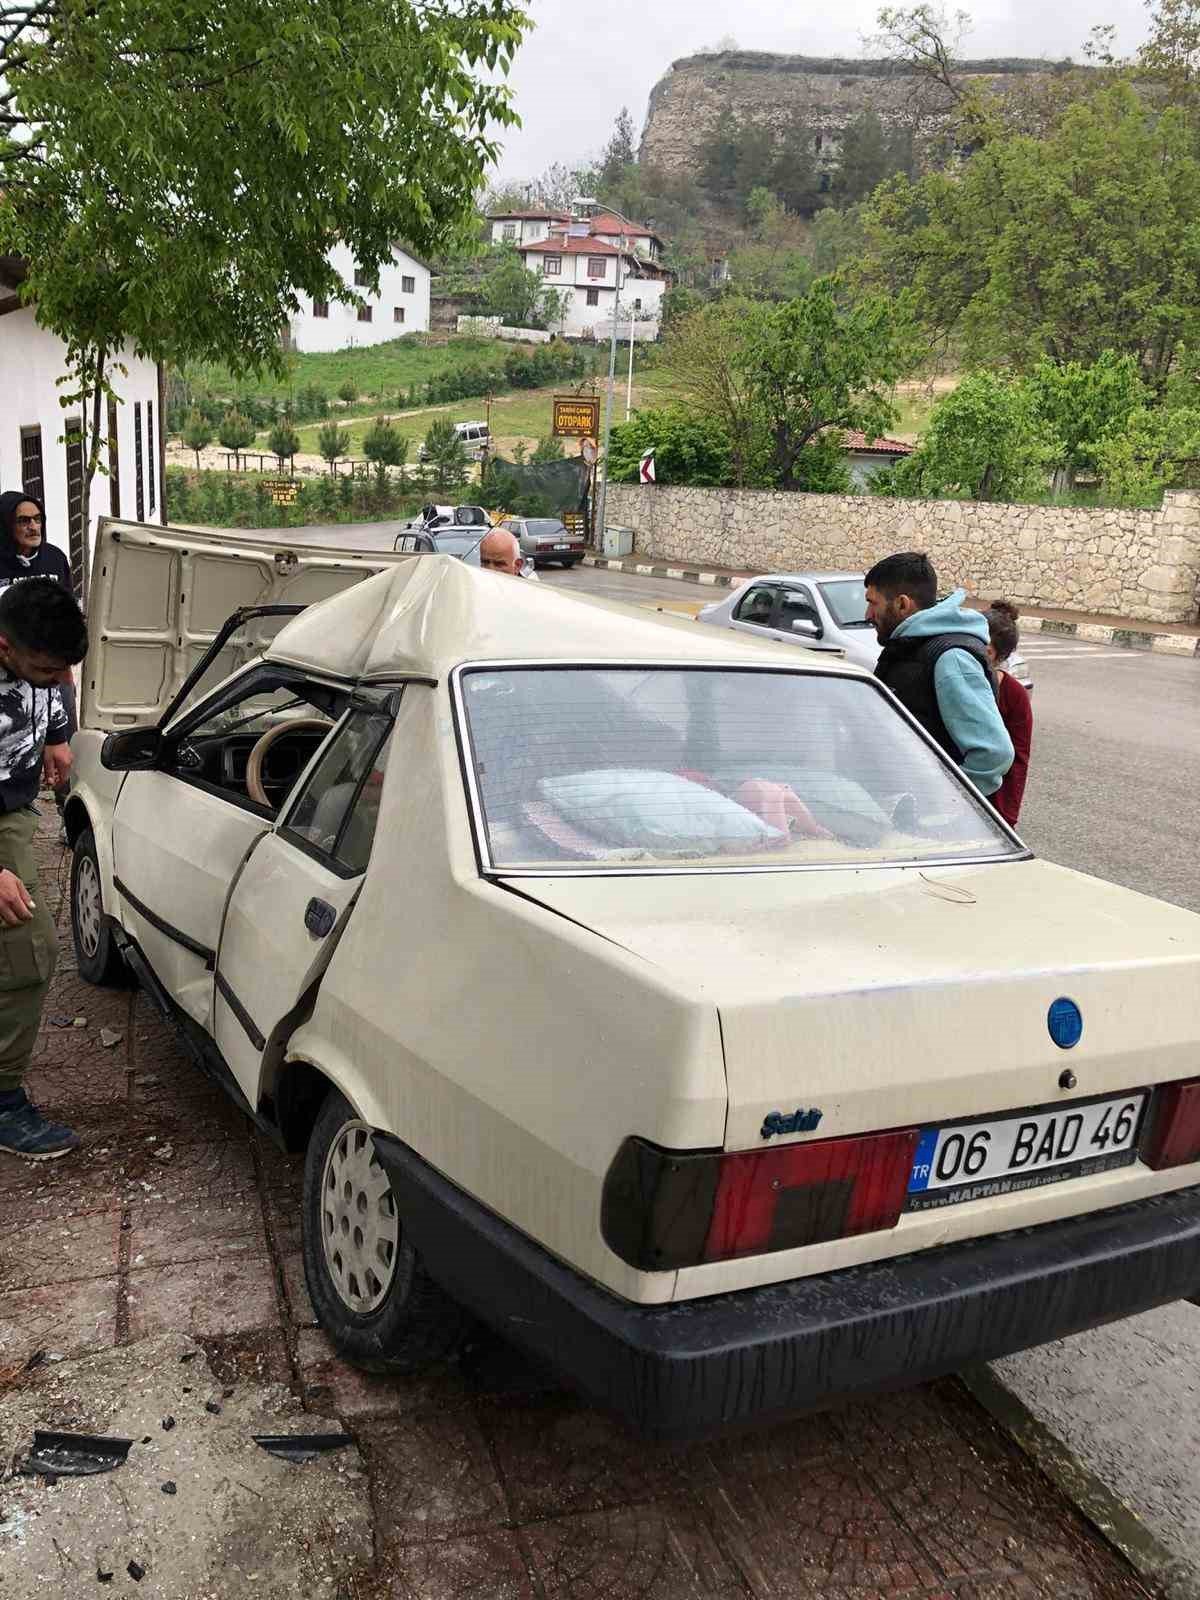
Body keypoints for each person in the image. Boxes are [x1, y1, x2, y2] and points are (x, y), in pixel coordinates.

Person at [0, 576, 89, 1159]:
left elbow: (53, 687)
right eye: (47, 670)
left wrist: (55, 735)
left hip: (16, 801)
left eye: (66, 669)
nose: (61, 681)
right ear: (4, 648)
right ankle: (4, 1104)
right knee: (30, 951)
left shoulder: (39, 650)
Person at [864, 552, 1013, 799]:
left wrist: (943, 805)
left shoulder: (951, 658)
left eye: (873, 602)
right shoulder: (908, 647)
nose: (868, 614)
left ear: (902, 603)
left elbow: (993, 755)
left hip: (932, 827)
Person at [0, 493, 78, 839]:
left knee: (64, 744)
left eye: (37, 519)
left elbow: (69, 613)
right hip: (10, 679)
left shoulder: (54, 559)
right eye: (23, 520)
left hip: (52, 675)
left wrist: (65, 670)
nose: (33, 526)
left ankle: (68, 812)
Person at [983, 600, 1033, 828]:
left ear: (999, 656)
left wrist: (1006, 818)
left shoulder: (1015, 696)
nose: (976, 656)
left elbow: (1018, 759)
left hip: (991, 801)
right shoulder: (950, 680)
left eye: (986, 652)